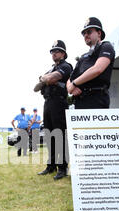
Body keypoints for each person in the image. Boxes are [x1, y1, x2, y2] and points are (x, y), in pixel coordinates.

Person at [34, 40, 73, 180]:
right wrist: (46, 79)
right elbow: (40, 85)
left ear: (63, 53)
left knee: (60, 135)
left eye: (56, 51)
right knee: (50, 135)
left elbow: (51, 78)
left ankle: (62, 168)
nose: (53, 54)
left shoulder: (66, 66)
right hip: (48, 102)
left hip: (59, 102)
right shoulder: (51, 69)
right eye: (52, 52)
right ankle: (51, 166)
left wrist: (46, 79)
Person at [67, 17, 115, 109]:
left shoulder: (106, 47)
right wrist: (71, 87)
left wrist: (74, 84)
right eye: (84, 33)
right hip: (80, 100)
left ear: (99, 33)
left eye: (89, 32)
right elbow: (70, 78)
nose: (86, 35)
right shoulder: (83, 57)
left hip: (96, 98)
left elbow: (97, 69)